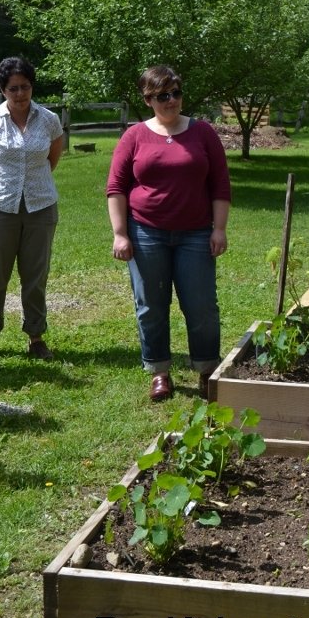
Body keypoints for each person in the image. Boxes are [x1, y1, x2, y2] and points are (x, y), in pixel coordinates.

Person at [106, 65, 231, 402]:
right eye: (163, 95)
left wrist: (219, 229)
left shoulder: (203, 133)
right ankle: (160, 372)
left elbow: (220, 184)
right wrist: (121, 234)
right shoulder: (134, 136)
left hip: (195, 235)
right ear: (148, 99)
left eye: (176, 92)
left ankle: (206, 370)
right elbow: (116, 187)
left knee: (201, 305)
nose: (172, 100)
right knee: (151, 306)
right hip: (147, 233)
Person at [0, 57, 64, 362]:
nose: (20, 93)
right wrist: (3, 187)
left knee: (36, 276)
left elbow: (53, 158)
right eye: (13, 88)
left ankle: (36, 337)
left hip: (40, 206)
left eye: (25, 87)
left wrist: (32, 185)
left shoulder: (48, 119)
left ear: (31, 87)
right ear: (2, 89)